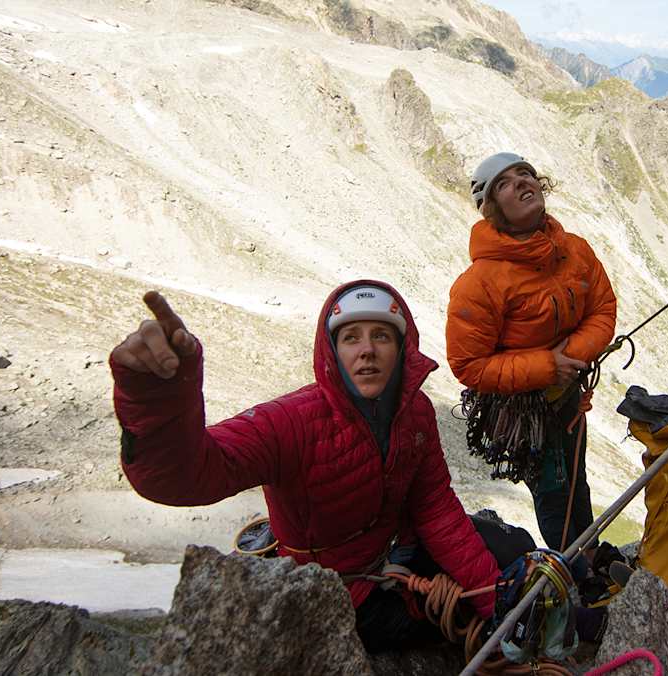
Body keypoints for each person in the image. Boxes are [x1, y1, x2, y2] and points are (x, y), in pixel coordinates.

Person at [109, 280, 514, 652]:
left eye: (382, 336)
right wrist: (156, 399)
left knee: (511, 551)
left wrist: (492, 597)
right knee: (434, 626)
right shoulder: (290, 422)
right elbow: (184, 477)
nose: (367, 349)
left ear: (402, 350)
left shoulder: (416, 413)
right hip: (334, 591)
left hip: (393, 556)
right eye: (350, 337)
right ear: (333, 352)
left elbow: (434, 508)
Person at [447, 152, 618, 576]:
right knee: (553, 488)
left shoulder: (574, 250)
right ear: (493, 209)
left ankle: (589, 552)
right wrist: (548, 366)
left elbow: (603, 309)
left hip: (567, 393)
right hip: (525, 410)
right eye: (505, 183)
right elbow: (469, 364)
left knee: (575, 475)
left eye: (526, 174)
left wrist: (571, 358)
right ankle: (575, 570)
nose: (523, 183)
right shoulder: (480, 283)